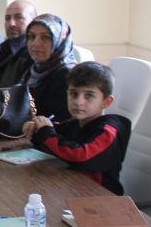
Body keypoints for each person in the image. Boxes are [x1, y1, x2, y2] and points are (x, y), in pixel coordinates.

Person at [23, 62, 131, 195]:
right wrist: (36, 128)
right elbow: (53, 137)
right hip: (73, 189)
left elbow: (80, 156)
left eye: (89, 95)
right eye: (74, 94)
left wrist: (46, 133)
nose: (79, 102)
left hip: (100, 198)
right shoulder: (76, 123)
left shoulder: (109, 130)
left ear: (106, 101)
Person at [22, 13, 77, 120]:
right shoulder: (32, 69)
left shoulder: (68, 75)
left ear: (60, 41)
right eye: (31, 36)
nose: (36, 43)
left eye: (46, 37)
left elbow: (60, 121)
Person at [0, 0, 37, 88]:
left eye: (19, 17)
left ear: (34, 21)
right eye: (7, 18)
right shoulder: (4, 49)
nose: (11, 24)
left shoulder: (35, 52)